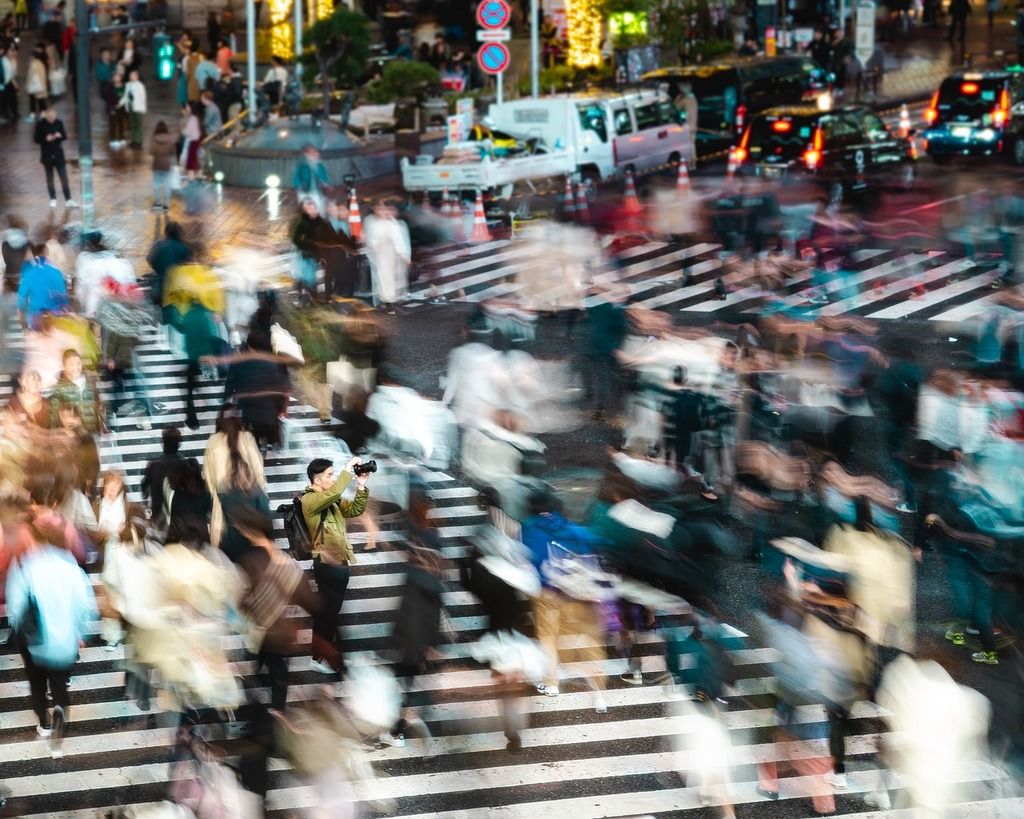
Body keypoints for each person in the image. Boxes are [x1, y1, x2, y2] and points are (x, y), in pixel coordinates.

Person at [6, 511, 97, 756]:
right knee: (59, 682)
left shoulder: (26, 566)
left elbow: (15, 606)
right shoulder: (73, 570)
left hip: (35, 641)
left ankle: (44, 723)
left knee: (36, 681)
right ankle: (59, 707)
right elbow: (85, 607)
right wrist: (80, 633)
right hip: (64, 641)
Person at [300, 456, 371, 675]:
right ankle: (318, 657)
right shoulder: (309, 501)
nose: (333, 478)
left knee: (329, 613)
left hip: (339, 562)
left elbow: (354, 510)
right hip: (327, 566)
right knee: (327, 614)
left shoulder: (330, 498)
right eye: (330, 475)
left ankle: (323, 655)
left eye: (333, 474)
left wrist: (360, 486)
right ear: (317, 480)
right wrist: (347, 472)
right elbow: (334, 493)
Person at [362, 200, 411, 315]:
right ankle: (384, 303)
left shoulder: (390, 222)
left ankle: (388, 302)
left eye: (384, 208)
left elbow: (398, 238)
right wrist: (374, 244)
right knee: (382, 278)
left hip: (391, 253)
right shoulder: (370, 221)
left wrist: (404, 255)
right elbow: (370, 238)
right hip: (380, 254)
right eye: (380, 208)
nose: (383, 211)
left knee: (390, 279)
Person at [50, 349, 104, 434]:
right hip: (73, 434)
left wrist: (106, 425)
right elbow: (54, 416)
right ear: (64, 366)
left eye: (78, 363)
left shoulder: (92, 380)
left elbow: (103, 403)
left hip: (93, 432)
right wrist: (60, 432)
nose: (76, 367)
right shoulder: (59, 388)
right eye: (71, 364)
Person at [17, 244, 69, 329]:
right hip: (53, 317)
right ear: (46, 254)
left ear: (34, 255)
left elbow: (21, 298)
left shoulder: (29, 272)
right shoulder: (56, 272)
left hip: (35, 317)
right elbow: (63, 297)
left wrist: (22, 319)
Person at [140, 427, 184, 527]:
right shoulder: (185, 465)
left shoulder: (153, 465)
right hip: (180, 515)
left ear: (163, 443)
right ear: (179, 444)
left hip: (158, 514)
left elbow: (144, 488)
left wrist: (146, 503)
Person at [146, 221, 192, 305]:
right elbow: (189, 267)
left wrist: (159, 269)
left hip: (161, 290)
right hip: (179, 289)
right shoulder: (184, 248)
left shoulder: (159, 245)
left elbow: (149, 259)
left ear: (166, 232)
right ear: (180, 233)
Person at [149, 120, 175, 210]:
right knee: (167, 184)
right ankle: (166, 204)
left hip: (156, 164)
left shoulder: (154, 139)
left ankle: (157, 203)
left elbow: (151, 152)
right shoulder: (170, 139)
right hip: (166, 165)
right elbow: (172, 152)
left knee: (156, 184)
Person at [119, 68, 147, 148]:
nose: (132, 77)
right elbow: (126, 96)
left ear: (137, 77)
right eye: (131, 76)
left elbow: (142, 97)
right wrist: (120, 103)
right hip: (131, 106)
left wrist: (140, 106)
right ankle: (134, 140)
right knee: (133, 124)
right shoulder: (128, 85)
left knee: (138, 124)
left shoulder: (140, 86)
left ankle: (139, 141)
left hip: (138, 107)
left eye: (134, 76)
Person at [181, 101, 203, 180]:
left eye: (187, 107)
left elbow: (187, 132)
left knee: (190, 164)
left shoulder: (192, 118)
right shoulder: (196, 117)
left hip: (193, 141)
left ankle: (191, 182)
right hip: (197, 141)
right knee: (196, 162)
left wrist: (182, 130)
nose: (186, 108)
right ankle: (199, 179)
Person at [25, 44, 47, 120]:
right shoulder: (41, 64)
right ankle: (43, 113)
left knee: (33, 101)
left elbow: (30, 76)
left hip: (34, 86)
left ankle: (33, 114)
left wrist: (27, 85)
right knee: (41, 100)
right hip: (41, 86)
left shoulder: (33, 64)